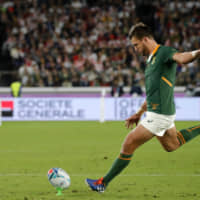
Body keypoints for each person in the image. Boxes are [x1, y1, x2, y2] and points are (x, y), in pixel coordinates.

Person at [85, 22, 200, 192]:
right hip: (159, 112)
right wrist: (139, 113)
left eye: (136, 45)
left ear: (145, 39)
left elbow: (183, 58)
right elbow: (152, 93)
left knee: (129, 143)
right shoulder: (151, 60)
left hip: (159, 115)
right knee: (172, 145)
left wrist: (197, 52)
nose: (135, 49)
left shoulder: (164, 52)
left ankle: (103, 182)